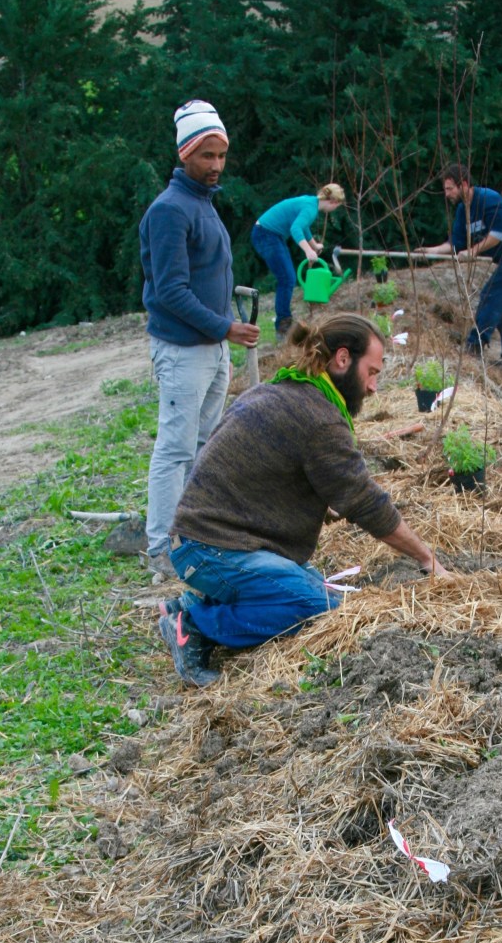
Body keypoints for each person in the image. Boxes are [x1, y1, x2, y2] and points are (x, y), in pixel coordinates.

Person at [157, 312, 447, 687]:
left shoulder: (287, 391)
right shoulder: (319, 417)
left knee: (313, 586)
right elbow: (364, 502)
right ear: (342, 359)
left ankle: (193, 606)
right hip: (210, 549)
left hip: (210, 540)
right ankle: (194, 624)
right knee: (312, 605)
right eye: (372, 372)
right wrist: (427, 558)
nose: (374, 387)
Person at [139, 99, 260, 581]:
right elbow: (169, 291)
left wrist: (225, 327)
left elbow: (206, 275)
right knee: (175, 447)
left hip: (211, 348)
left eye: (221, 155)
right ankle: (160, 550)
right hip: (183, 349)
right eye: (206, 156)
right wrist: (225, 326)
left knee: (206, 442)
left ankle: (193, 535)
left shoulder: (202, 205)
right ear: (185, 153)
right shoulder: (169, 211)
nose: (215, 165)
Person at [416, 162, 502, 369]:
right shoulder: (463, 210)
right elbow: (456, 243)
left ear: (463, 184)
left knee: (491, 295)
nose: (446, 194)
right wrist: (431, 251)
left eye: (449, 188)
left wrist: (473, 251)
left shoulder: (489, 200)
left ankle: (475, 345)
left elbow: (498, 235)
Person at [250, 184, 347, 336]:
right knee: (287, 278)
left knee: (287, 278)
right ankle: (283, 326)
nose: (335, 209)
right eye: (337, 206)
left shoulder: (311, 202)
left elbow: (303, 226)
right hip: (266, 235)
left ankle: (284, 322)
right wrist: (308, 250)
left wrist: (314, 245)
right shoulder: (311, 208)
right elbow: (295, 229)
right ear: (333, 201)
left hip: (268, 234)